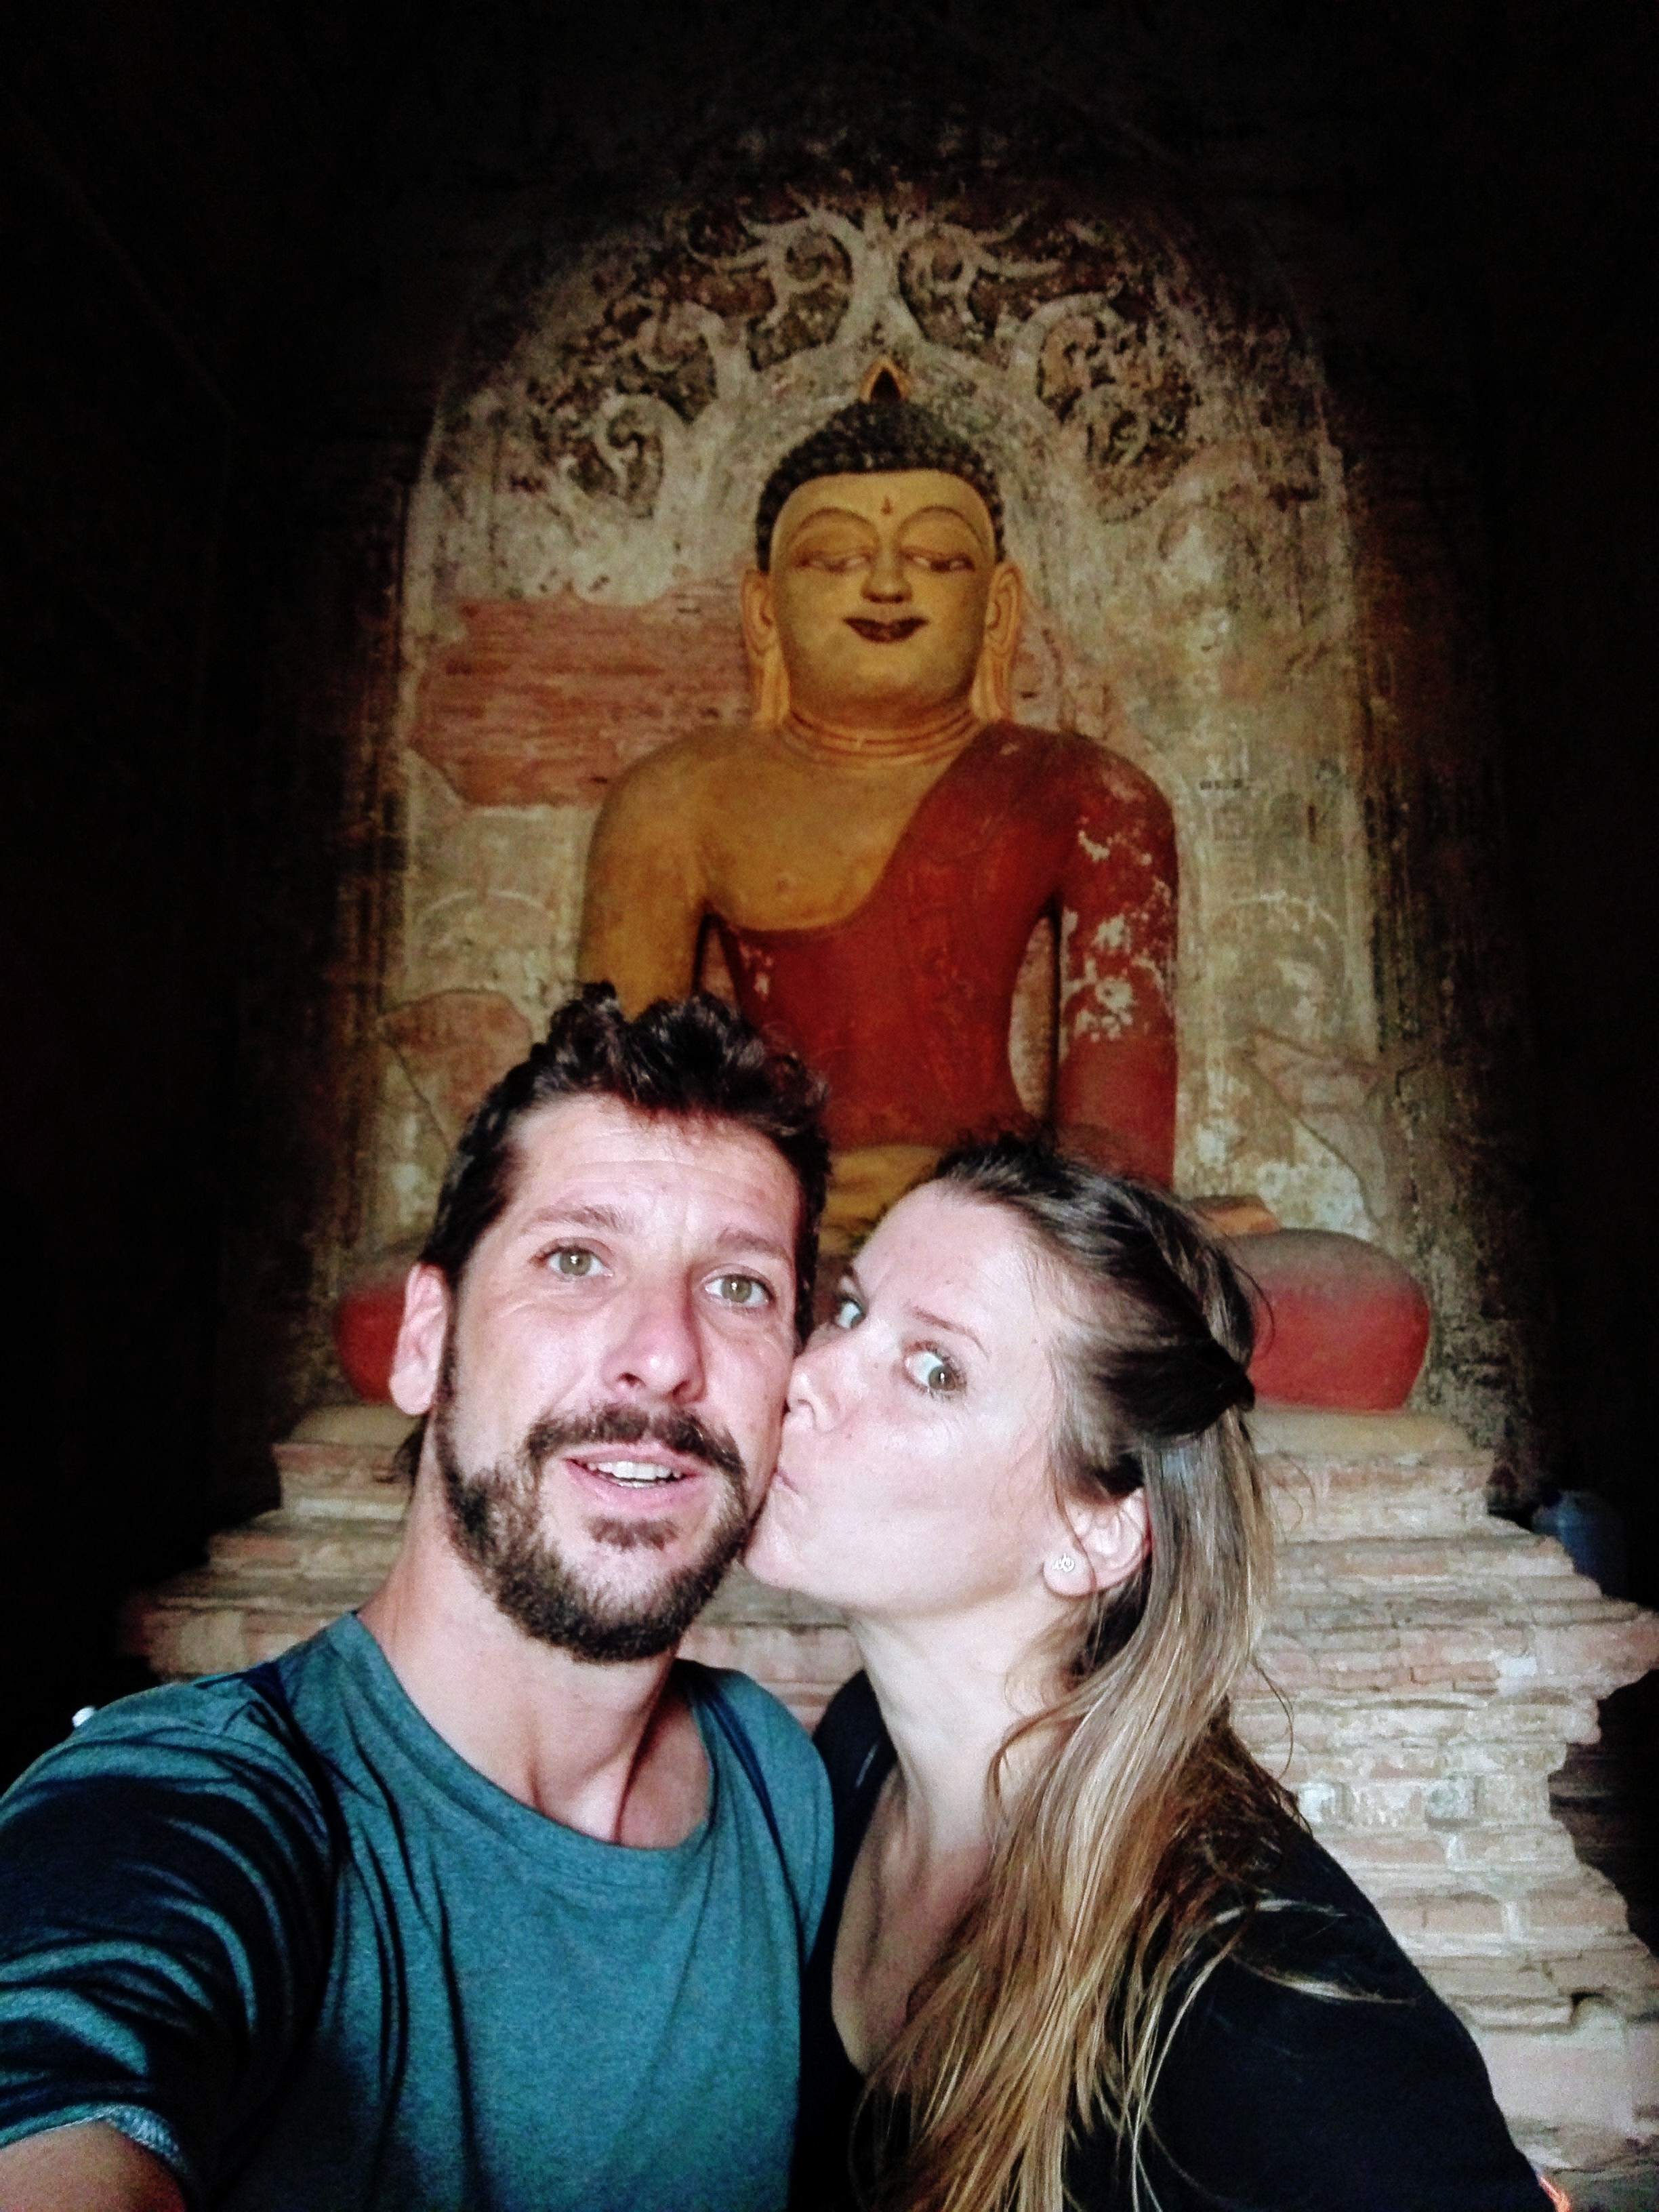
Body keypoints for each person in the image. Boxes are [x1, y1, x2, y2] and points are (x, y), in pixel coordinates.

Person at [0, 987, 835, 2212]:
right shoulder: (193, 1802)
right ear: (423, 1342)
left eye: (741, 1288)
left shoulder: (776, 1786)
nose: (664, 1354)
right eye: (575, 1259)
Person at [746, 1135, 1553, 2212]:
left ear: (1096, 1534)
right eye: (848, 1312)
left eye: (935, 1370)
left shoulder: (1258, 2003)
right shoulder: (857, 1756)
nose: (804, 1376)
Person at [578, 365, 1178, 1258]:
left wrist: (959, 1192)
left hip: (1008, 1228)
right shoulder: (673, 797)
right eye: (834, 560)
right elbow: (617, 1123)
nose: (889, 585)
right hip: (768, 1217)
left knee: (1334, 1294)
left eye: (938, 561)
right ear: (764, 610)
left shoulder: (1090, 794)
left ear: (999, 608)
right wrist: (776, 1187)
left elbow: (1121, 1161)